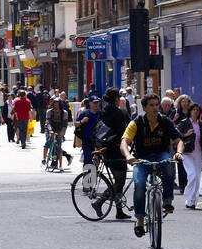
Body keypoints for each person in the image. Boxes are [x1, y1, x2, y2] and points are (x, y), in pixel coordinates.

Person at [120, 93, 183, 238]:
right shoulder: (136, 122)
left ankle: (167, 201)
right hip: (141, 157)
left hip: (161, 154)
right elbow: (124, 142)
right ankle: (140, 221)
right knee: (140, 184)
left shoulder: (165, 121)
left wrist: (179, 152)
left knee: (169, 164)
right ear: (144, 107)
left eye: (157, 105)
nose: (155, 108)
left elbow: (179, 141)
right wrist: (129, 156)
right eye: (151, 105)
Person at [98, 88, 131, 220]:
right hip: (118, 149)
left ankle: (119, 211)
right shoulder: (120, 112)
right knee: (120, 182)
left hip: (106, 149)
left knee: (118, 181)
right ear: (117, 99)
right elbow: (129, 128)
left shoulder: (103, 112)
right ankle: (99, 202)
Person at [177, 102, 202, 209]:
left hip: (198, 153)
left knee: (197, 178)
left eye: (197, 110)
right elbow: (176, 135)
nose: (195, 111)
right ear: (190, 111)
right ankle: (188, 196)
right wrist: (186, 134)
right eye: (193, 110)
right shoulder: (184, 122)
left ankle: (193, 200)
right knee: (192, 174)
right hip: (187, 153)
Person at [44, 99, 72, 169]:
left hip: (59, 129)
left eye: (57, 104)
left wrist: (62, 133)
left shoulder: (64, 113)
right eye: (54, 104)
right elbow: (48, 122)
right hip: (50, 129)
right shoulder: (49, 112)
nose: (56, 105)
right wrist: (50, 130)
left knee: (58, 145)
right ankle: (45, 160)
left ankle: (57, 163)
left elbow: (65, 125)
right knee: (49, 141)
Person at [75, 96, 102, 169]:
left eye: (97, 103)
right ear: (90, 103)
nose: (96, 104)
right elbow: (75, 124)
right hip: (87, 140)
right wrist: (82, 121)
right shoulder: (84, 113)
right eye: (94, 103)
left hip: (98, 141)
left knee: (96, 162)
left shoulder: (101, 113)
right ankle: (86, 179)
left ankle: (94, 178)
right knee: (88, 161)